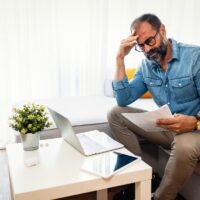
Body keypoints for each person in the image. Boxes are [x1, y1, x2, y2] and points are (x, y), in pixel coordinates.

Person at [107, 13, 200, 200]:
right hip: (169, 128)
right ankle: (142, 178)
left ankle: (160, 197)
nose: (148, 49)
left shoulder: (195, 57)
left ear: (162, 30)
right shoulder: (146, 65)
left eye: (150, 40)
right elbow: (123, 100)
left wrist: (194, 122)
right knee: (115, 114)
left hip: (195, 130)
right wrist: (119, 58)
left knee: (184, 146)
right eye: (140, 46)